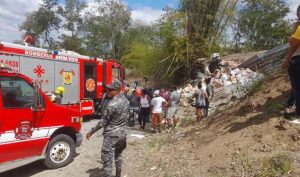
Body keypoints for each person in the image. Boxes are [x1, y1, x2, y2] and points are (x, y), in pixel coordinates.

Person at [86, 78, 129, 177]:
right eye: (107, 89)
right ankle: (118, 175)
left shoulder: (112, 104)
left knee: (107, 160)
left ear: (117, 90)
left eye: (110, 90)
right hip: (122, 134)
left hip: (111, 135)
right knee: (118, 155)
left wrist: (91, 131)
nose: (107, 91)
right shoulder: (126, 101)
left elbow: (103, 121)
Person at [282, 5, 300, 118]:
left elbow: (293, 44)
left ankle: (297, 111)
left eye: (299, 14)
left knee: (297, 86)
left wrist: (286, 60)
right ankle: (290, 102)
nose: (298, 16)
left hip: (297, 59)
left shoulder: (299, 27)